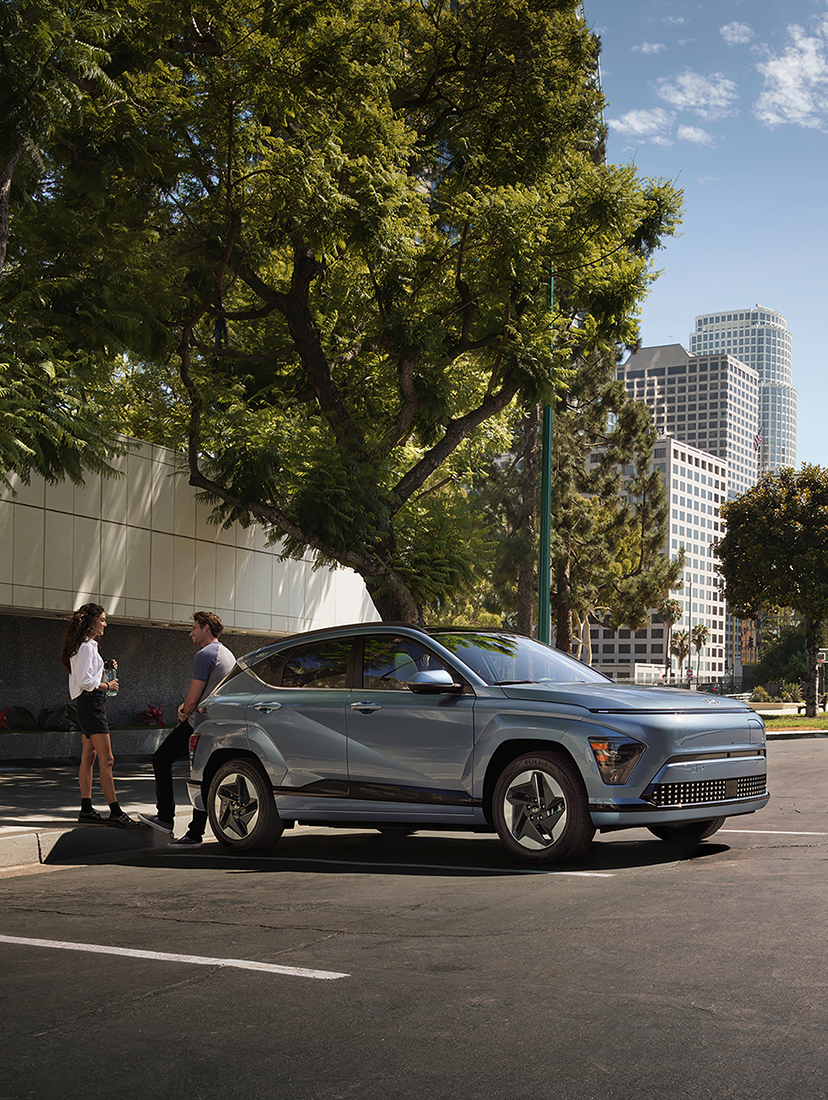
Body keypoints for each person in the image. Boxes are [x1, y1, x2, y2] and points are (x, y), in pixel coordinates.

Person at [139, 611, 235, 848]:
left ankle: (165, 818)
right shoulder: (227, 653)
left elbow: (192, 699)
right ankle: (194, 835)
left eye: (194, 627)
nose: (190, 632)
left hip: (200, 724)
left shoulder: (205, 654)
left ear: (205, 628)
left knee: (161, 758)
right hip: (219, 724)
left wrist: (183, 710)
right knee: (201, 775)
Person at [60, 603, 140, 828]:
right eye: (102, 619)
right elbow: (86, 682)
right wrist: (108, 684)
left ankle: (86, 809)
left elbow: (86, 675)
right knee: (107, 759)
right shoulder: (85, 647)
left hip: (86, 706)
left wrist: (103, 668)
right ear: (91, 621)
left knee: (89, 757)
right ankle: (115, 812)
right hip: (92, 706)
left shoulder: (85, 646)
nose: (105, 624)